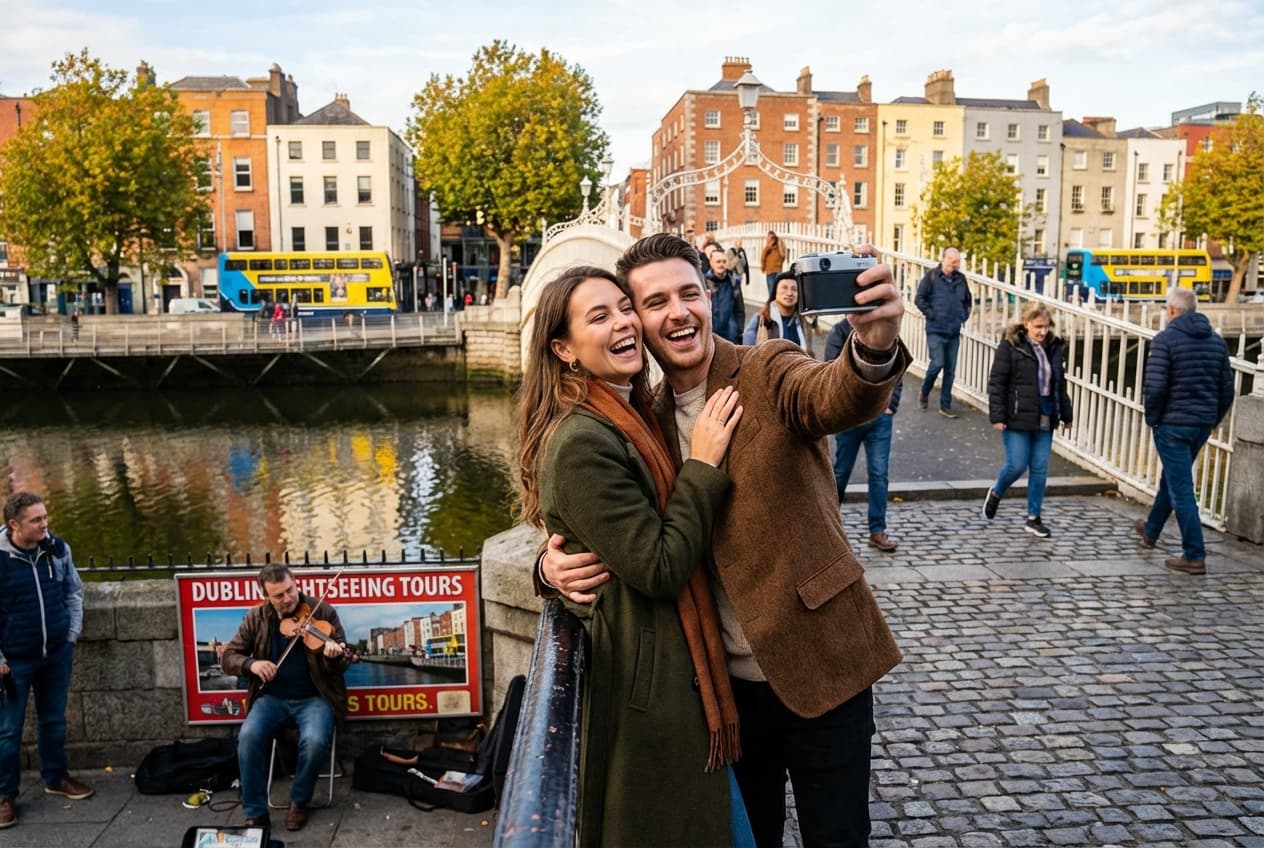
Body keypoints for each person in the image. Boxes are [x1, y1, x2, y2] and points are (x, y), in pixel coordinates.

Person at [543, 233, 909, 848]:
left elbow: (833, 396)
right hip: (725, 691)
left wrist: (873, 347)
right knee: (752, 837)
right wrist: (549, 566)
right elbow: (619, 523)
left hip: (822, 658)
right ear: (638, 321)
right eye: (654, 302)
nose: (678, 312)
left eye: (689, 293)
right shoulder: (645, 416)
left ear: (710, 296)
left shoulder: (766, 368)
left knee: (839, 837)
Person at [516, 266, 751, 846]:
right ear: (564, 349)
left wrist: (544, 569)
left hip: (680, 678)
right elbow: (659, 566)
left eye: (626, 308)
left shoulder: (633, 410)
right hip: (653, 695)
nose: (623, 323)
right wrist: (703, 464)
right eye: (599, 317)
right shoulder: (581, 441)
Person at [220, 564, 351, 832]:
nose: (288, 598)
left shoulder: (322, 612)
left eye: (290, 590)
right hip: (271, 698)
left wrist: (333, 657)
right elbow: (229, 657)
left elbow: (340, 666)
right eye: (278, 595)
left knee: (315, 741)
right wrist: (252, 665)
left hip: (315, 698)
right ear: (266, 596)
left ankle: (299, 802)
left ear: (295, 582)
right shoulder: (256, 617)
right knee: (248, 738)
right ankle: (255, 812)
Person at [0, 492, 93, 830]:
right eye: (36, 520)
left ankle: (56, 777)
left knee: (53, 721)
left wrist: (71, 634)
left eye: (45, 517)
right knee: (7, 731)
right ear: (14, 524)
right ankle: (4, 795)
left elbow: (73, 590)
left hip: (55, 653)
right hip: (13, 661)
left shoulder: (56, 548)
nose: (45, 525)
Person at [1134, 287, 1234, 574]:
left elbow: (1155, 387)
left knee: (1181, 489)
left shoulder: (1165, 340)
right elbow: (1227, 389)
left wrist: (1154, 419)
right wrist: (1212, 419)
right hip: (1201, 424)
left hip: (1172, 424)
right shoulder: (1216, 342)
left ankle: (1194, 554)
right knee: (1172, 478)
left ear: (1171, 310)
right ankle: (1151, 530)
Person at [982, 302, 1073, 539]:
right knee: (1017, 464)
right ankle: (997, 491)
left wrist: (1066, 414)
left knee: (1040, 468)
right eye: (1038, 327)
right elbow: (997, 382)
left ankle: (1034, 518)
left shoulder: (1053, 347)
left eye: (1046, 326)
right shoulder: (1010, 346)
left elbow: (1059, 383)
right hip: (1017, 415)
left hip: (1045, 414)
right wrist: (997, 415)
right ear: (1026, 324)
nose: (1043, 332)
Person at [826, 317, 901, 552]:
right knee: (840, 472)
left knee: (879, 474)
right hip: (850, 417)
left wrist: (892, 404)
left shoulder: (885, 330)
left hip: (880, 418)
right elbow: (830, 368)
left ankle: (877, 530)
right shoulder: (840, 331)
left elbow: (898, 366)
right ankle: (828, 529)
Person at [914, 247, 971, 418]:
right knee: (937, 363)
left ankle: (945, 406)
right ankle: (925, 391)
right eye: (953, 261)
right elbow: (919, 299)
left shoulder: (961, 279)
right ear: (944, 259)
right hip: (935, 330)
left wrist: (963, 316)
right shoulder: (932, 277)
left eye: (957, 261)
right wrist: (931, 314)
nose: (955, 264)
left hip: (953, 331)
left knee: (950, 370)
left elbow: (967, 301)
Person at [743, 271, 814, 357]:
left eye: (794, 289)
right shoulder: (760, 320)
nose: (789, 293)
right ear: (775, 292)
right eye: (784, 288)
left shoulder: (804, 322)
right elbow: (748, 355)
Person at [705, 247, 745, 345]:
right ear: (711, 263)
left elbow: (740, 310)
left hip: (731, 336)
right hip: (710, 336)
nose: (721, 264)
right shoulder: (703, 283)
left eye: (724, 261)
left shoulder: (734, 283)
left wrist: (739, 331)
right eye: (718, 261)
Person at [759, 231, 787, 300]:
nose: (771, 239)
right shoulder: (767, 247)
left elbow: (783, 256)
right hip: (769, 271)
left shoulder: (779, 245)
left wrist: (780, 245)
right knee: (771, 291)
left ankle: (777, 303)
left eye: (773, 238)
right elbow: (763, 257)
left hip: (778, 271)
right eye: (769, 238)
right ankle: (772, 304)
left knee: (778, 290)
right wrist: (769, 246)